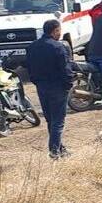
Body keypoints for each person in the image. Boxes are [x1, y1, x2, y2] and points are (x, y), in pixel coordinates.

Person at [24, 20, 73, 159]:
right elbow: (65, 69)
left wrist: (36, 82)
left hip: (41, 86)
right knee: (58, 120)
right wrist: (69, 84)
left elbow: (29, 67)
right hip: (57, 86)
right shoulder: (58, 47)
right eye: (59, 30)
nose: (60, 33)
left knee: (50, 119)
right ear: (55, 31)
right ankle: (54, 151)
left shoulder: (32, 46)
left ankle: (59, 147)